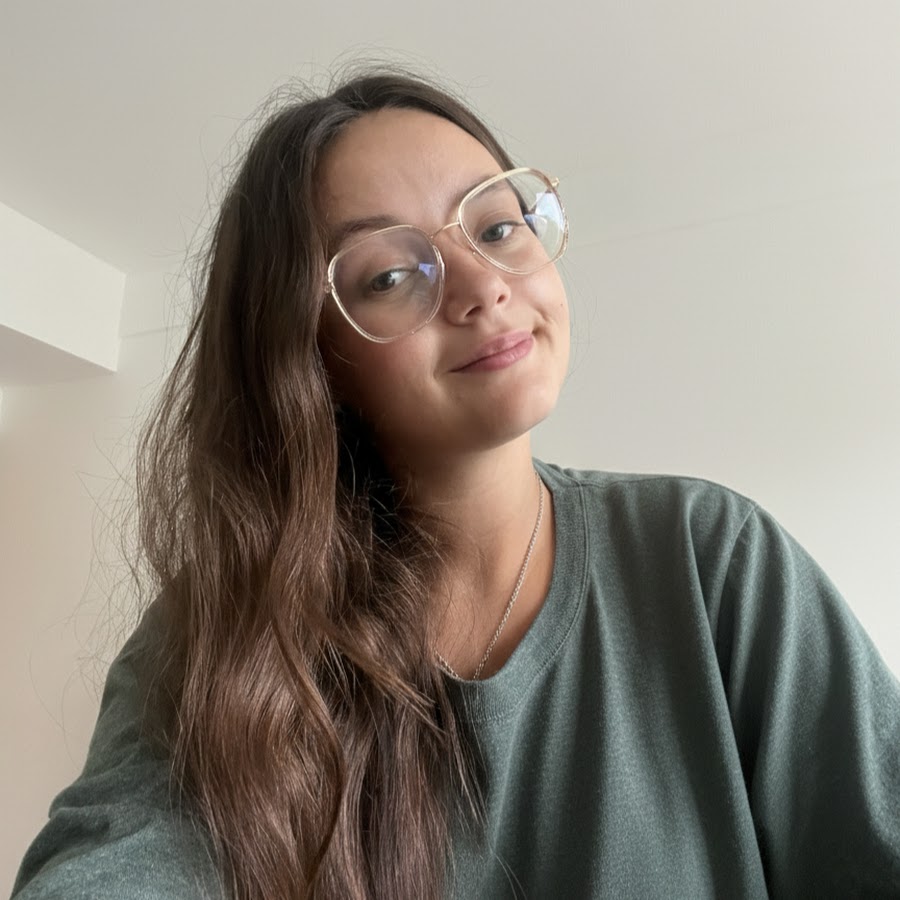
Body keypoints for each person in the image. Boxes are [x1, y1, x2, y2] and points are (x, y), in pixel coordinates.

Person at [11, 68, 900, 900]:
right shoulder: (228, 630)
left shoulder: (709, 558)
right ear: (312, 358)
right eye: (391, 276)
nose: (481, 287)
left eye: (499, 227)